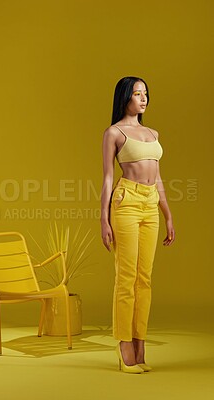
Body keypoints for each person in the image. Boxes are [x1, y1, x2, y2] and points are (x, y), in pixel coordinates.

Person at [101, 76, 175, 374]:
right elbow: (107, 176)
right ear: (125, 98)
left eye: (146, 93)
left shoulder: (152, 133)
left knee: (145, 279)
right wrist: (103, 218)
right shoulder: (114, 132)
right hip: (126, 201)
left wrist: (168, 214)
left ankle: (139, 341)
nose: (143, 99)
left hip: (149, 203)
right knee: (126, 277)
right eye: (136, 93)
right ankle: (124, 348)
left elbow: (157, 177)